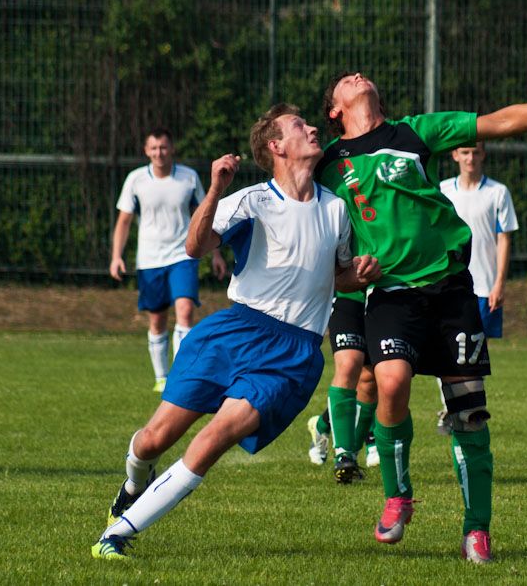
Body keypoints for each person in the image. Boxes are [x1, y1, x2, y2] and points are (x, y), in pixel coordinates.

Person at [315, 71, 527, 564]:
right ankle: (398, 497)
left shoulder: (414, 132)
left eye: (361, 75)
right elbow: (298, 221)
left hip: (452, 289)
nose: (356, 75)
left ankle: (477, 530)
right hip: (391, 293)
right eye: (345, 80)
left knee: (468, 411)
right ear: (334, 109)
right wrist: (344, 272)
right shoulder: (326, 162)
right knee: (390, 383)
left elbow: (501, 122)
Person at [91, 105, 381, 559]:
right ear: (276, 146)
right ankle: (133, 483)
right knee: (152, 440)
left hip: (292, 355)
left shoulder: (337, 208)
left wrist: (357, 275)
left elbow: (338, 276)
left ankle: (117, 535)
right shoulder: (251, 200)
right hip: (234, 331)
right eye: (299, 126)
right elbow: (194, 246)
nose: (311, 129)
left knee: (213, 440)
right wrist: (215, 189)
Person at [110, 128, 228, 392]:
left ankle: (180, 376)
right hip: (150, 259)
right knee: (157, 320)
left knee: (185, 311)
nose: (159, 153)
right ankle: (161, 378)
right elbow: (124, 221)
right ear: (146, 151)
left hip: (182, 256)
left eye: (163, 147)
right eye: (153, 148)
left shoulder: (188, 177)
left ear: (171, 148)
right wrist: (116, 256)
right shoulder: (135, 180)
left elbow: (205, 216)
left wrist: (216, 254)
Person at [435, 141, 519, 432]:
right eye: (465, 152)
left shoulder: (498, 192)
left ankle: (459, 408)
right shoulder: (443, 190)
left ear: (483, 155)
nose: (470, 158)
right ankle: (453, 407)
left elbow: (504, 239)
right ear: (455, 155)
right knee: (448, 348)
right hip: (449, 284)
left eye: (476, 152)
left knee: (474, 353)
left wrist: (499, 283)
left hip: (483, 287)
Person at [306, 290, 380, 478]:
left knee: (369, 380)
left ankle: (324, 427)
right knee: (348, 366)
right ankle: (344, 455)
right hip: (347, 295)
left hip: (383, 297)